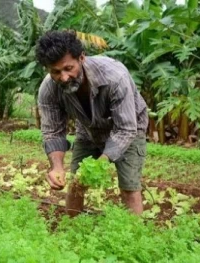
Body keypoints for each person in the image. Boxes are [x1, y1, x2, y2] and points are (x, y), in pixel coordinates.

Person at [35, 30, 149, 216]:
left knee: (129, 187)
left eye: (68, 68)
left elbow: (126, 129)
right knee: (76, 183)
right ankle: (71, 229)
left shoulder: (114, 77)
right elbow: (53, 132)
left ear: (81, 58)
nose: (63, 77)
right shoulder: (48, 89)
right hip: (87, 129)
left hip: (129, 128)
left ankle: (133, 238)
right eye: (55, 72)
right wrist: (56, 166)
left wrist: (100, 163)